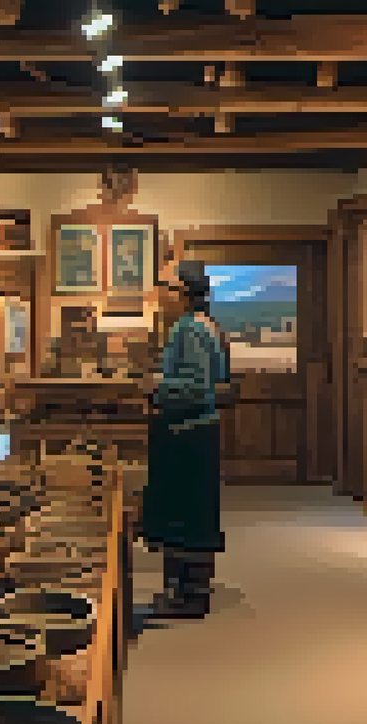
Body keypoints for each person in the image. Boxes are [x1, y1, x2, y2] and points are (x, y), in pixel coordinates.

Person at [142, 260, 232, 619]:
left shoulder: (189, 330)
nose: (160, 295)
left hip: (187, 432)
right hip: (197, 431)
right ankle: (188, 589)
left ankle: (188, 596)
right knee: (193, 509)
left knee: (185, 513)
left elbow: (197, 388)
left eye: (166, 288)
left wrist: (157, 385)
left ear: (184, 294)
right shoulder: (201, 325)